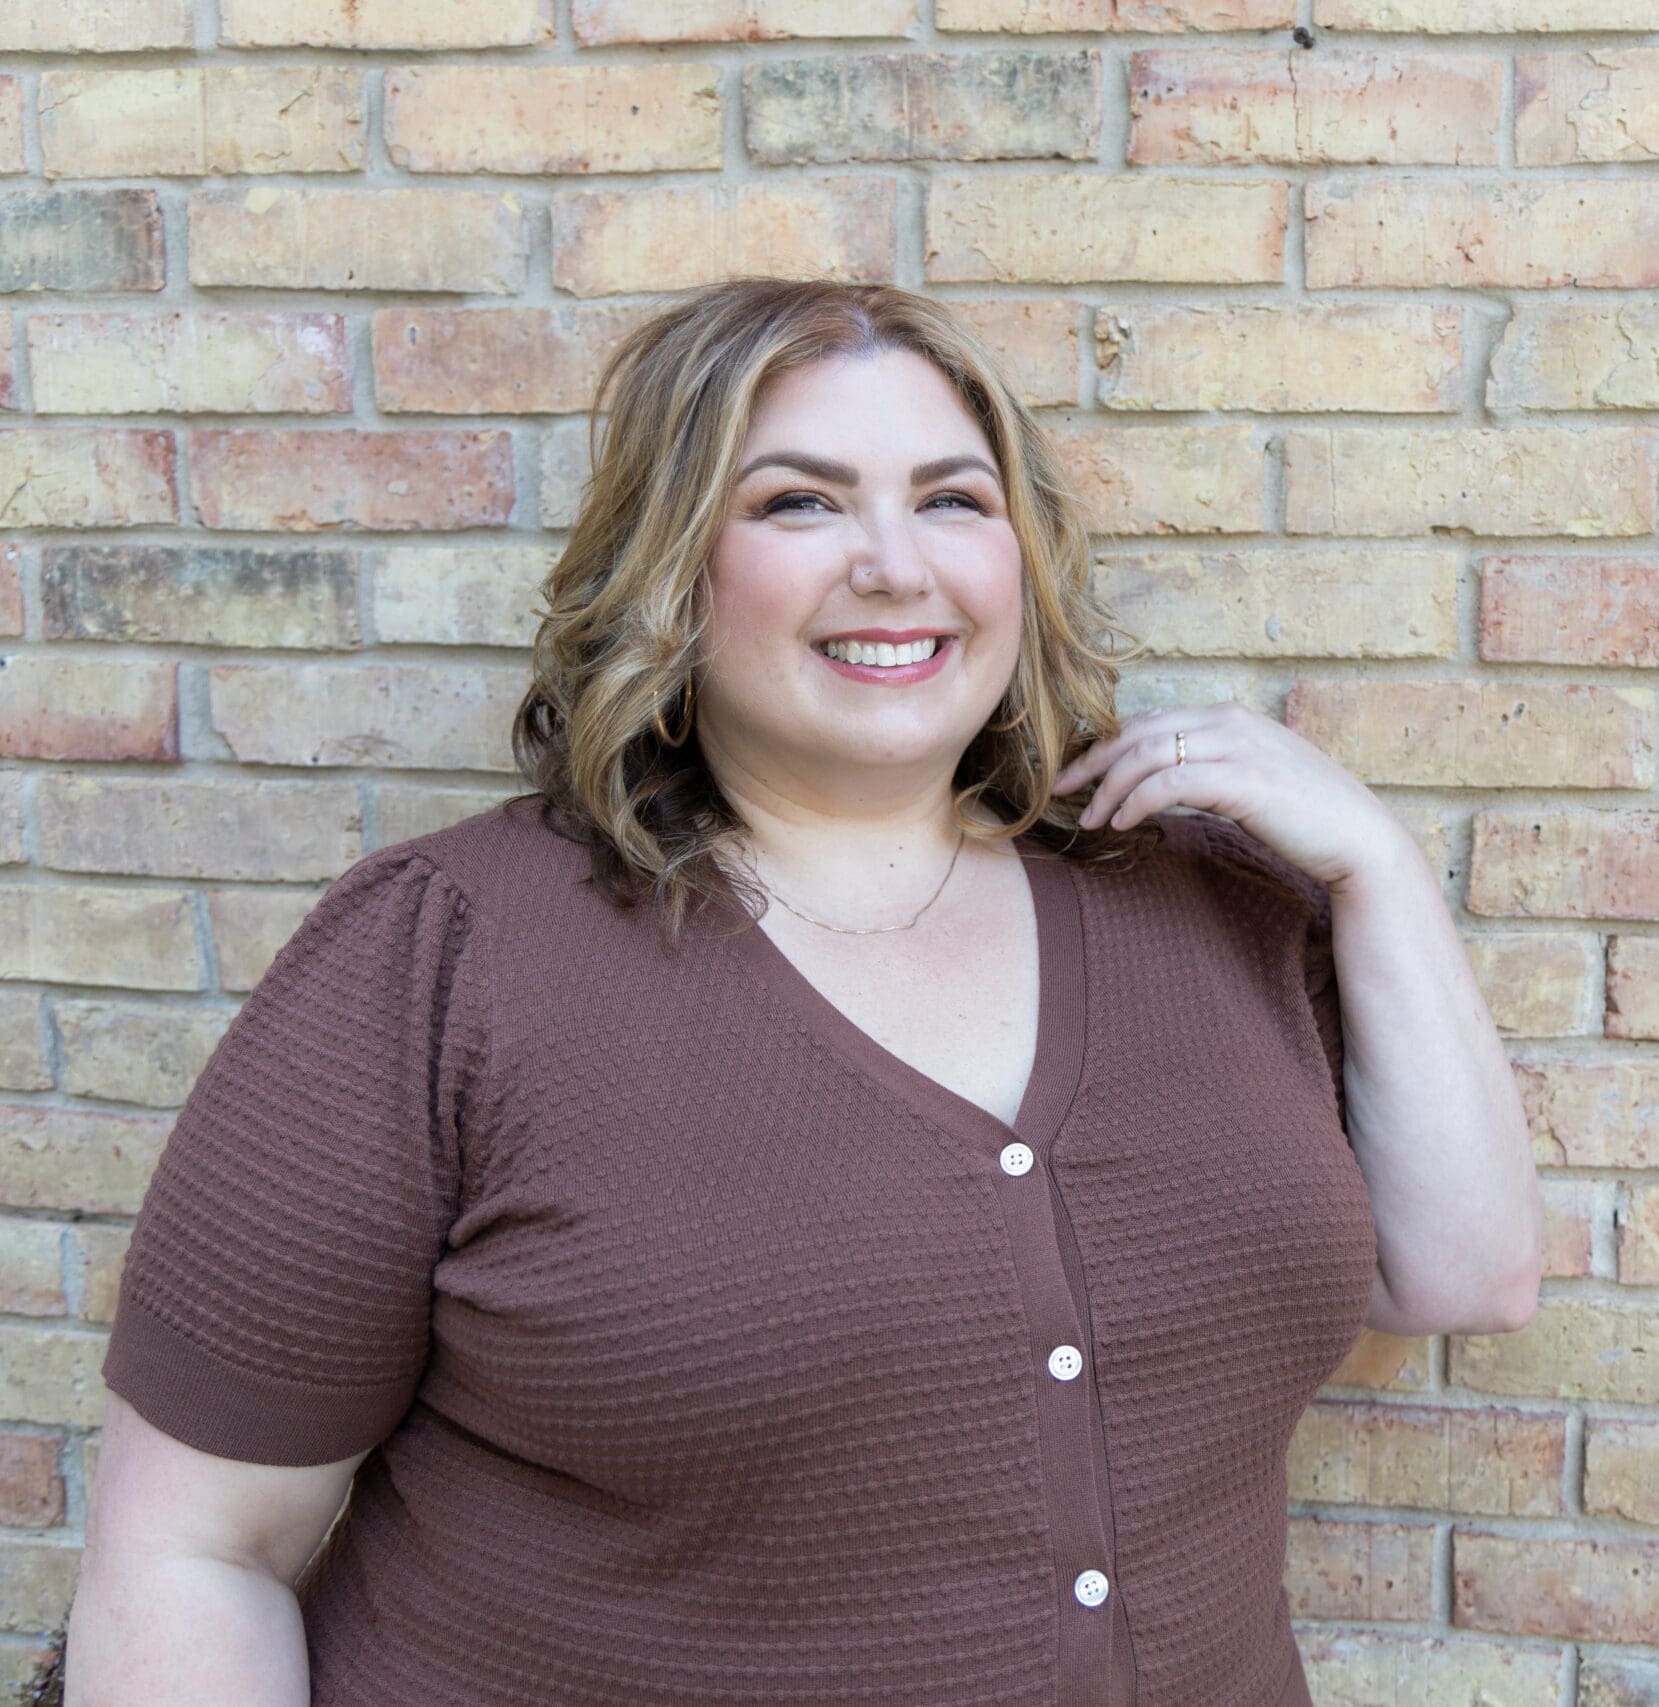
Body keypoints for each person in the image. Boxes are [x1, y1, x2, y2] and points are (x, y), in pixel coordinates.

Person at [63, 278, 1541, 1705]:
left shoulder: (1203, 902)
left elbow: (1458, 1276)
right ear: (672, 566)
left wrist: (1377, 872)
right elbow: (194, 1554)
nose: (896, 565)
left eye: (954, 499)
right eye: (799, 502)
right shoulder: (447, 959)